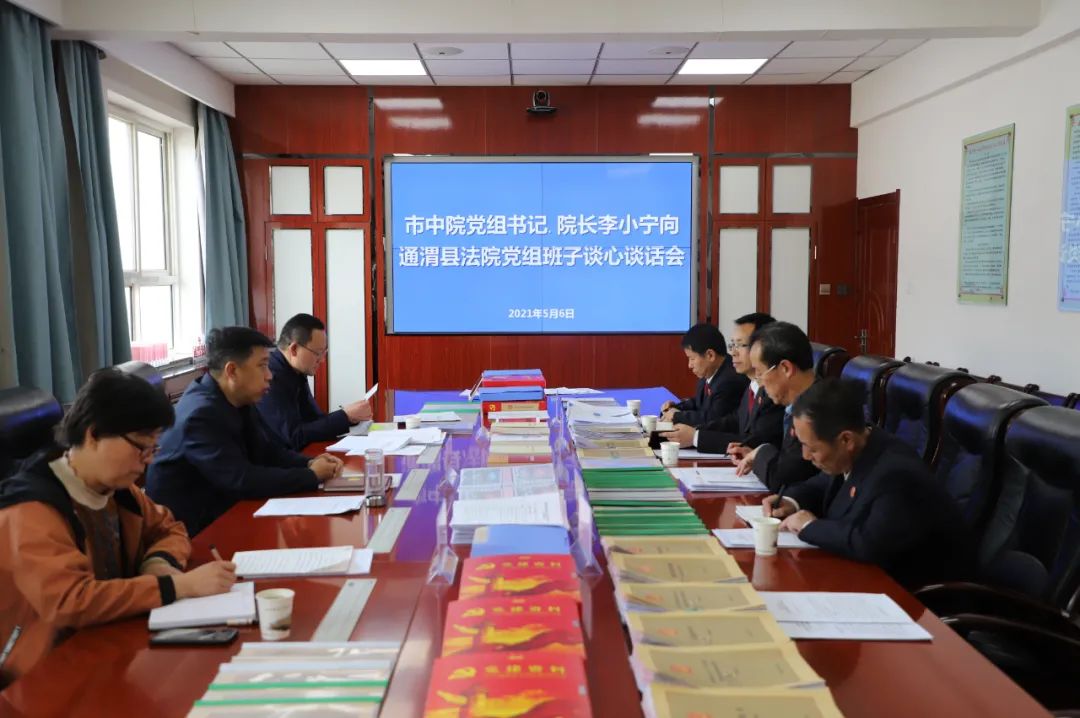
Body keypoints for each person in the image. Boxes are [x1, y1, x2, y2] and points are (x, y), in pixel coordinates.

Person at [0, 369, 236, 685]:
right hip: (41, 672)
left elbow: (169, 528)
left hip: (109, 642)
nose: (148, 461)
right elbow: (71, 600)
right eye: (140, 448)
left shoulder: (118, 490)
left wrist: (159, 562)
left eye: (153, 449)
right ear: (93, 434)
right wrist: (178, 586)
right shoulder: (31, 509)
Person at [762, 378, 972, 586]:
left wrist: (809, 526)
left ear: (846, 440)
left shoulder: (896, 474)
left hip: (910, 593)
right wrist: (791, 501)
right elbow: (822, 484)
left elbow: (868, 543)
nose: (805, 456)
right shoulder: (860, 445)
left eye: (812, 448)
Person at [146, 327, 343, 536]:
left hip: (226, 513)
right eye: (262, 366)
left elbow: (268, 451)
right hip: (191, 532)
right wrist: (310, 476)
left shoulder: (237, 398)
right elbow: (241, 479)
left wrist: (309, 462)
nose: (270, 376)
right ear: (232, 371)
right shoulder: (200, 415)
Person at [661, 312, 784, 453]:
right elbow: (735, 420)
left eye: (740, 345)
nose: (733, 352)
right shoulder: (753, 384)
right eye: (732, 345)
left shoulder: (773, 391)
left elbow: (754, 442)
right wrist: (695, 431)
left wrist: (695, 437)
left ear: (763, 348)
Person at [258, 313, 373, 450]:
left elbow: (314, 419)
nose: (322, 360)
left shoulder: (297, 370)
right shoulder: (270, 377)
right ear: (294, 349)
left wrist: (350, 417)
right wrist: (344, 416)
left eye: (324, 353)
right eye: (318, 353)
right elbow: (293, 437)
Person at [732, 321, 819, 491]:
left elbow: (783, 477)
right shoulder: (797, 403)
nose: (760, 383)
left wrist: (761, 453)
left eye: (760, 373)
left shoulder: (816, 411)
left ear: (786, 368)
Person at [660, 323, 748, 427]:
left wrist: (677, 416)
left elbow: (712, 419)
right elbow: (699, 403)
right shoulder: (710, 371)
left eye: (692, 358)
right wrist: (676, 407)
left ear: (710, 355)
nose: (689, 365)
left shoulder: (730, 381)